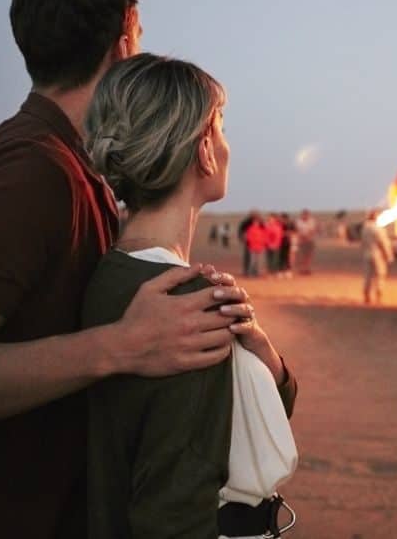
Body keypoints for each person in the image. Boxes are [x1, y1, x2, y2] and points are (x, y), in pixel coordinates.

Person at [0, 0, 247, 539]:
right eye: (141, 34)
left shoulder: (75, 168)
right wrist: (121, 345)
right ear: (124, 41)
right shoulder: (29, 170)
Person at [81, 55, 298, 537]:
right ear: (203, 150)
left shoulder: (106, 276)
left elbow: (222, 421)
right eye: (220, 128)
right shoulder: (187, 304)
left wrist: (263, 356)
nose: (226, 145)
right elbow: (175, 504)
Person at [360, 209, 394, 304]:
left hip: (367, 254)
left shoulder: (364, 229)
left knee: (368, 276)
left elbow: (362, 243)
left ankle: (366, 297)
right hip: (377, 255)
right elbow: (383, 243)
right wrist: (389, 256)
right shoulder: (378, 229)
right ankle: (378, 297)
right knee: (380, 275)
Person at [294, 209, 318, 275]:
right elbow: (297, 230)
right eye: (304, 215)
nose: (305, 216)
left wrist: (307, 236)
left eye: (306, 215)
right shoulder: (298, 221)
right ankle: (302, 269)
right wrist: (302, 236)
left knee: (309, 255)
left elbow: (313, 230)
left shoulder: (312, 221)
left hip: (310, 240)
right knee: (301, 255)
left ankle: (307, 268)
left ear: (308, 215)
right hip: (301, 240)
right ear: (302, 215)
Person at [245, 213, 268, 277]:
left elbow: (265, 237)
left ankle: (259, 273)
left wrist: (263, 244)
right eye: (255, 222)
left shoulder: (262, 229)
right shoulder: (250, 229)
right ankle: (251, 273)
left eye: (257, 222)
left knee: (260, 261)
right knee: (252, 261)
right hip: (253, 247)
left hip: (261, 247)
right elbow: (249, 238)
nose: (256, 223)